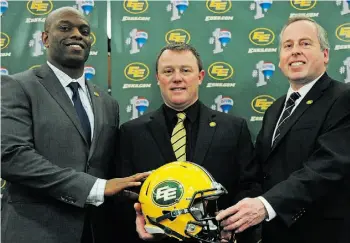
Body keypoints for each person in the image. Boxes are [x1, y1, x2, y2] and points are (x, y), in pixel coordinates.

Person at [1, 7, 149, 243]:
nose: (77, 34)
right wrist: (95, 188)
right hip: (34, 231)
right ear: (45, 38)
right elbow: (12, 157)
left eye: (84, 30)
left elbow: (106, 170)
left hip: (95, 232)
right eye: (65, 27)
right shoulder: (17, 87)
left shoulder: (108, 103)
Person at [216, 17, 350, 243]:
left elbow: (327, 166)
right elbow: (259, 172)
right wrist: (235, 220)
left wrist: (265, 205)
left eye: (305, 44)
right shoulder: (274, 110)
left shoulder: (343, 99)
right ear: (280, 60)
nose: (295, 51)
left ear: (325, 55)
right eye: (288, 46)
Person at [119, 43, 261, 243]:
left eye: (185, 70)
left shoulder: (233, 128)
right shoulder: (131, 132)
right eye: (168, 71)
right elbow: (125, 194)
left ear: (200, 76)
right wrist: (137, 218)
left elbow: (249, 186)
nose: (177, 78)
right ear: (157, 78)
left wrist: (230, 227)